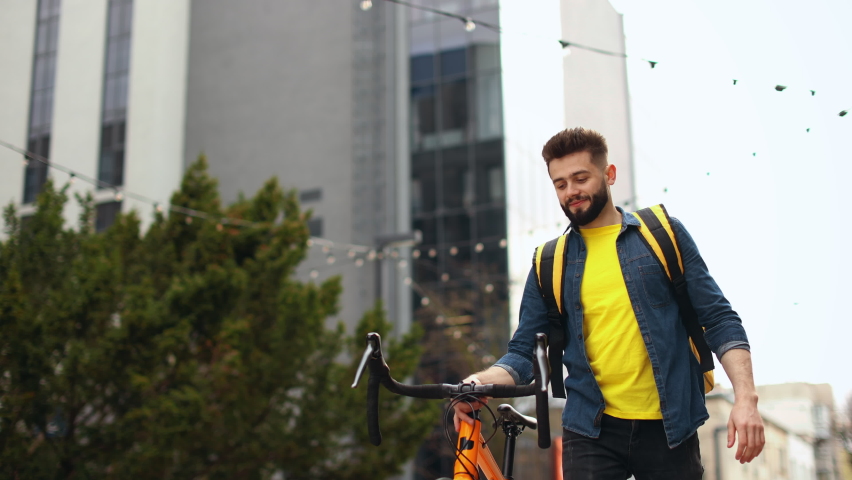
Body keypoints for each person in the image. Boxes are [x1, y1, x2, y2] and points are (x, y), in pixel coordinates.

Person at [454, 127, 764, 479]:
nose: (571, 191)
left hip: (670, 427)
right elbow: (525, 352)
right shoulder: (550, 262)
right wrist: (478, 384)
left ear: (609, 174)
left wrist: (745, 398)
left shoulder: (662, 235)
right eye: (560, 184)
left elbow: (719, 319)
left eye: (580, 178)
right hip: (590, 430)